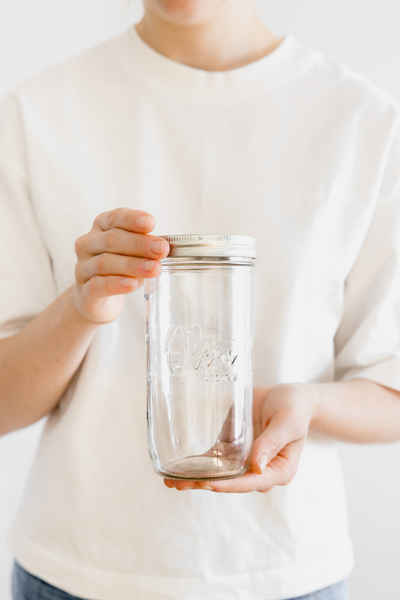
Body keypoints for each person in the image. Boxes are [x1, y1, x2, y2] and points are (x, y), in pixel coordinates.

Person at [1, 0, 400, 598]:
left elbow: (391, 385)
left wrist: (307, 404)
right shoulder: (36, 111)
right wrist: (82, 307)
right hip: (80, 569)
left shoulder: (363, 121)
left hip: (286, 571)